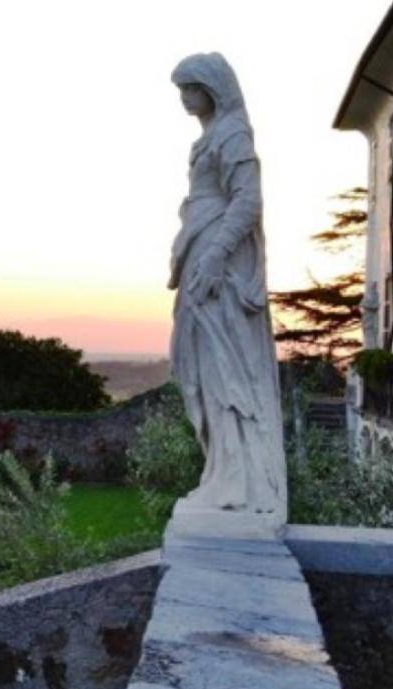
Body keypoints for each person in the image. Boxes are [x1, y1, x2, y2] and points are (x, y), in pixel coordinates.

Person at [169, 52, 286, 516]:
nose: (183, 99)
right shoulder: (211, 137)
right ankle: (222, 472)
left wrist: (216, 256)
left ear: (211, 87)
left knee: (223, 367)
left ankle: (239, 482)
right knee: (197, 364)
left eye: (188, 88)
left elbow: (248, 200)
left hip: (218, 260)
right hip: (202, 249)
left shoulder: (233, 134)